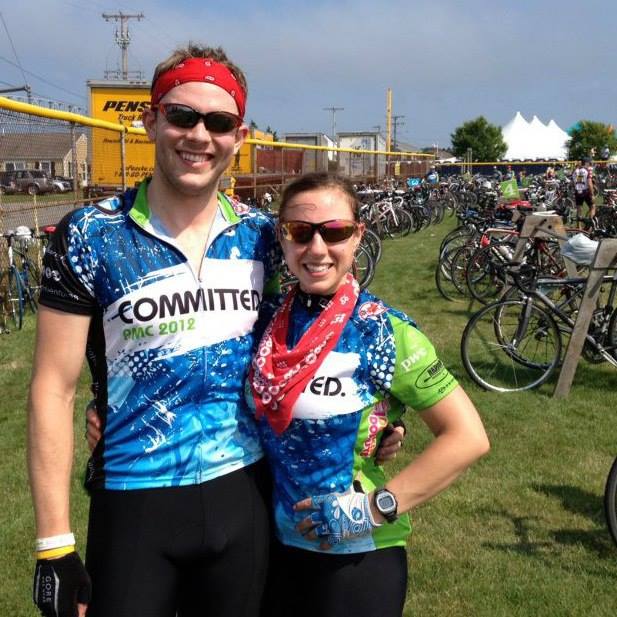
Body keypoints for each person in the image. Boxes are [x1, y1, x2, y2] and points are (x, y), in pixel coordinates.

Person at [29, 43, 404, 617]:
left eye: (219, 122)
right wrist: (54, 544)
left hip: (243, 496)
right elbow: (52, 388)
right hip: (134, 500)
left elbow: (333, 323)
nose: (199, 135)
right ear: (151, 120)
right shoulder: (90, 234)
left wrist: (376, 414)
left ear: (239, 136)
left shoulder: (264, 237)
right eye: (182, 115)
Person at [248, 173, 490, 617]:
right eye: (299, 232)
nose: (316, 248)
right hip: (274, 550)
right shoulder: (264, 323)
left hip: (356, 559)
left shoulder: (382, 330)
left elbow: (467, 436)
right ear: (282, 238)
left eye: (334, 232)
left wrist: (374, 509)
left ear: (358, 236)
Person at [572, 157, 595, 226]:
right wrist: (592, 194)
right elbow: (589, 183)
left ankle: (578, 227)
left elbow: (575, 182)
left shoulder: (576, 170)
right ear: (586, 163)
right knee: (593, 207)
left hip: (578, 191)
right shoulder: (587, 170)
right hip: (586, 191)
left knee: (579, 210)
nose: (590, 164)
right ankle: (590, 223)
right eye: (589, 163)